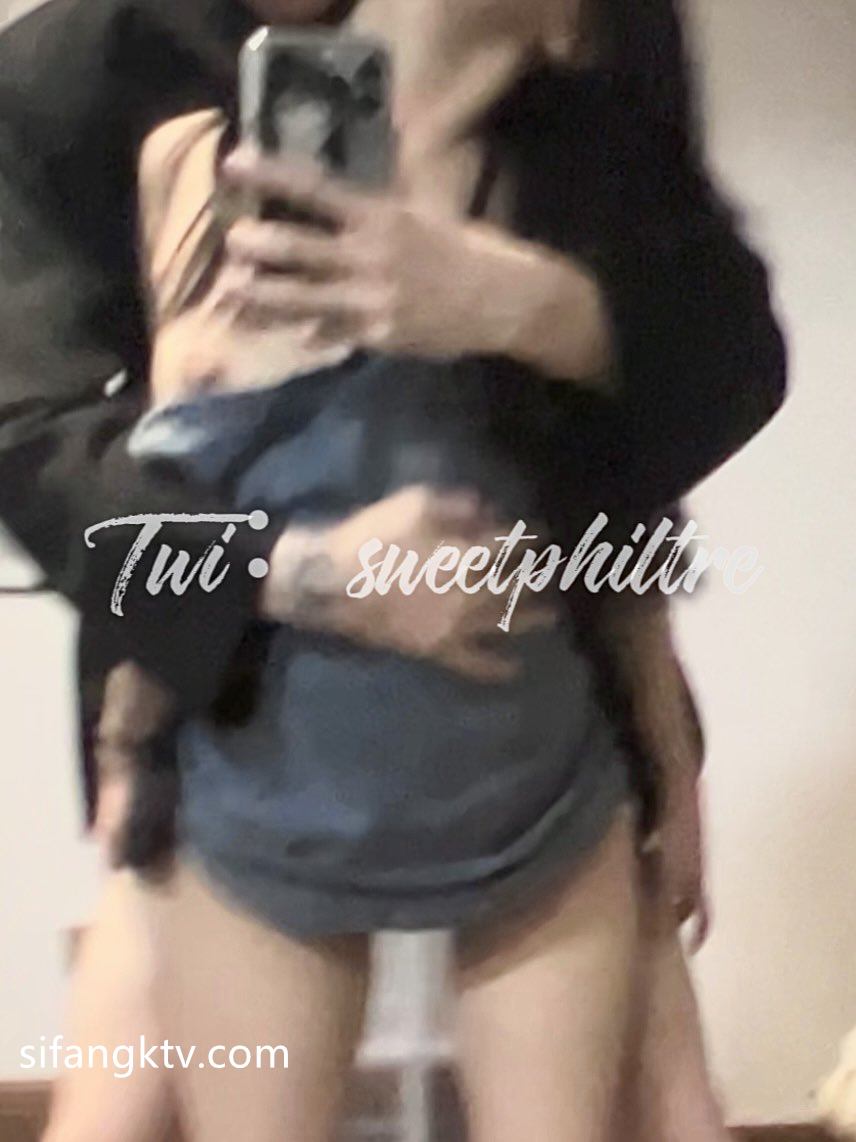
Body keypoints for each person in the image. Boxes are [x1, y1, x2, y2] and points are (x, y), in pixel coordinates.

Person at [0, 0, 786, 1140]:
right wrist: (283, 591)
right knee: (113, 1102)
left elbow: (663, 423)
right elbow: (50, 455)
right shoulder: (102, 87)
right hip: (239, 731)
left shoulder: (575, 159)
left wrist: (525, 303)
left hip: (539, 772)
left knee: (672, 1097)